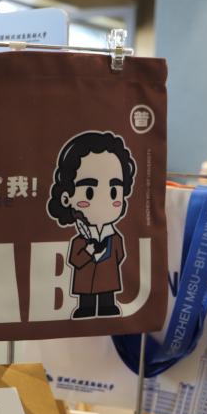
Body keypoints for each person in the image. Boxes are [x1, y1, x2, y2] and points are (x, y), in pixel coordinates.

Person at [47, 131, 137, 319]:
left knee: (107, 297)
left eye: (114, 192)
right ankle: (85, 307)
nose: (103, 200)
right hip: (85, 280)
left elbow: (120, 255)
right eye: (89, 191)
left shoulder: (114, 237)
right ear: (66, 198)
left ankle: (107, 305)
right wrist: (89, 250)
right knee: (86, 299)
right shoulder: (79, 240)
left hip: (109, 278)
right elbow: (74, 260)